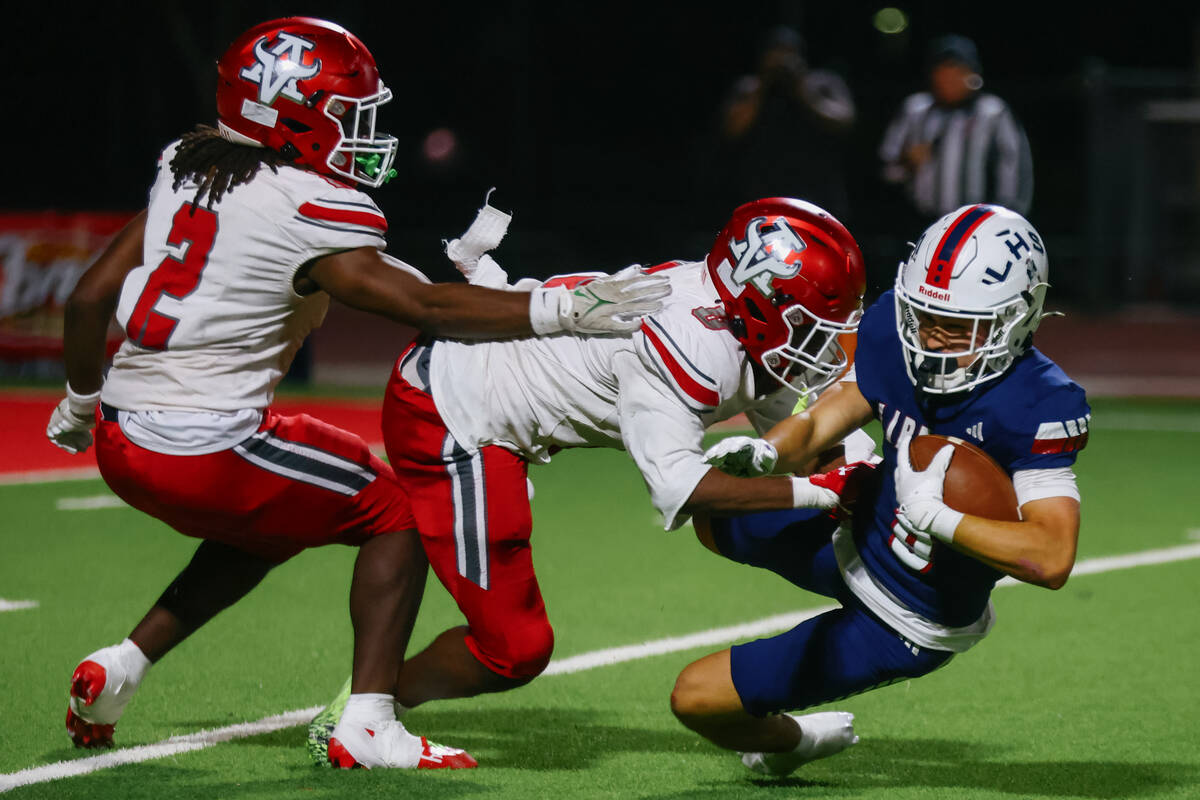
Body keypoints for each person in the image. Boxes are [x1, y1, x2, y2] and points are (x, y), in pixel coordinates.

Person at [44, 16, 668, 770]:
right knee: (395, 508)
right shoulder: (310, 204)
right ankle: (367, 722)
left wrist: (80, 405)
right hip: (202, 444)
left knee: (270, 524)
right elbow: (424, 310)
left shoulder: (192, 163)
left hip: (120, 435)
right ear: (288, 115)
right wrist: (568, 309)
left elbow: (85, 302)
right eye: (346, 114)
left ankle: (122, 666)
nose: (360, 130)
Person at [304, 195, 872, 766]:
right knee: (514, 650)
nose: (825, 346)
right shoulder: (692, 342)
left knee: (515, 642)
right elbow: (684, 491)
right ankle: (366, 712)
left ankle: (367, 704)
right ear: (761, 300)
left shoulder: (736, 320)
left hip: (496, 403)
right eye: (810, 324)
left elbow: (810, 442)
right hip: (451, 411)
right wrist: (824, 491)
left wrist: (871, 469)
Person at [672, 204, 1088, 778]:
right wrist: (773, 450)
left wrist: (934, 516)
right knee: (712, 518)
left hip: (907, 616)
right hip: (860, 521)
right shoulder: (897, 328)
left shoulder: (1041, 402)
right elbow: (830, 415)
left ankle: (792, 741)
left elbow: (1051, 556)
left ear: (1018, 318)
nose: (933, 338)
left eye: (959, 326)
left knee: (695, 697)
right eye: (924, 317)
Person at [879, 35, 1033, 225]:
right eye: (942, 70)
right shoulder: (915, 110)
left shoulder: (993, 113)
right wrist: (906, 162)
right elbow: (886, 168)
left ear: (972, 73)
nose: (948, 78)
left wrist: (1008, 221)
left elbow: (1015, 170)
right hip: (921, 222)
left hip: (978, 226)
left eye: (957, 70)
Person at [708, 26, 856, 222]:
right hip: (758, 200)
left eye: (788, 54)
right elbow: (731, 131)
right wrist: (764, 84)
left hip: (819, 198)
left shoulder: (822, 83)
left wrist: (800, 87)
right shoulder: (750, 88)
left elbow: (843, 122)